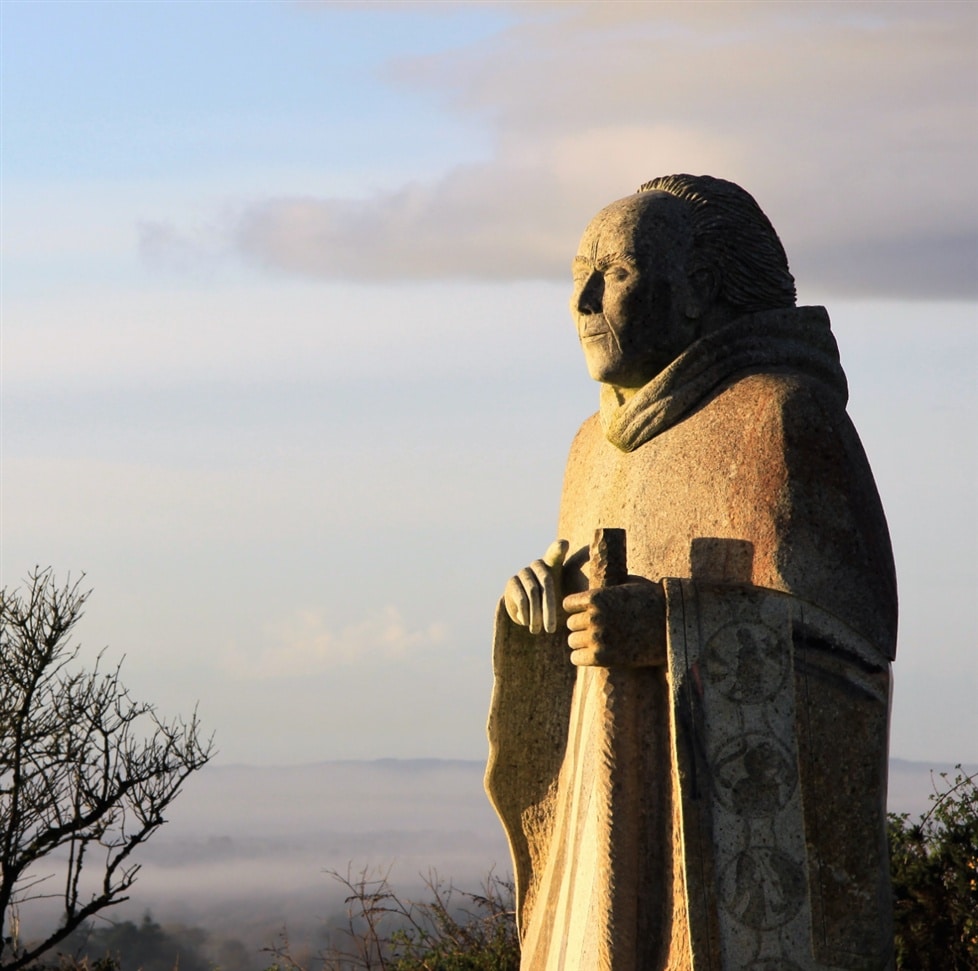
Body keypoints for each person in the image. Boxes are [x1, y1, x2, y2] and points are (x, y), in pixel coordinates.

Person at [485, 175, 897, 970]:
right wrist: (536, 611)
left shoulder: (783, 416)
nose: (584, 302)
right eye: (578, 273)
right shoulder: (588, 450)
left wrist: (672, 627)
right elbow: (581, 644)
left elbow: (856, 655)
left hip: (712, 886)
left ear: (701, 287)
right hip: (611, 852)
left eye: (619, 272)